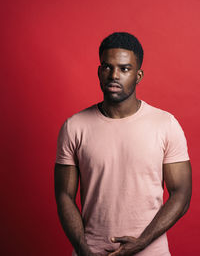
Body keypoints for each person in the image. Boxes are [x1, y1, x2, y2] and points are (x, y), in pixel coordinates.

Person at [54, 32, 192, 256]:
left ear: (138, 75)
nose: (114, 75)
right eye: (107, 67)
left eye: (124, 69)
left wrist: (142, 242)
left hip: (150, 251)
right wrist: (82, 248)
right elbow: (64, 195)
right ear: (99, 71)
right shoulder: (74, 126)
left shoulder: (165, 124)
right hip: (90, 251)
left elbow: (182, 193)